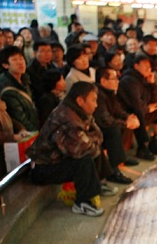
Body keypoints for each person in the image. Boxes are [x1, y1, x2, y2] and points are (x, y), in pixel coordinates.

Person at [26, 82, 107, 217]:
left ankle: (99, 184)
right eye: (93, 100)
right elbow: (81, 150)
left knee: (93, 150)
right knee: (84, 160)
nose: (96, 104)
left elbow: (99, 135)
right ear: (80, 101)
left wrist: (91, 141)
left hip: (57, 160)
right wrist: (92, 142)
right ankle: (82, 203)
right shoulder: (68, 117)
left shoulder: (79, 112)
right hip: (42, 169)